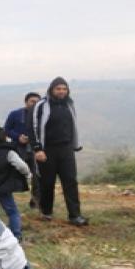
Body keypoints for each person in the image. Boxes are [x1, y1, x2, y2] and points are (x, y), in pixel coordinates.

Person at [30, 77, 88, 226]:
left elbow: (72, 125)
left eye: (64, 89)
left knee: (70, 182)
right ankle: (46, 212)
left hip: (66, 149)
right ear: (52, 89)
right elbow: (33, 127)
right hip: (47, 149)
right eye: (58, 89)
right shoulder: (41, 105)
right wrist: (38, 149)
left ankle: (75, 216)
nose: (61, 91)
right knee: (47, 183)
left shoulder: (69, 104)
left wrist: (75, 144)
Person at [4, 92, 41, 208]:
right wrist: (18, 137)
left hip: (36, 150)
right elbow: (6, 129)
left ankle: (35, 201)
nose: (35, 104)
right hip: (18, 148)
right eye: (32, 101)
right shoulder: (15, 114)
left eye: (37, 102)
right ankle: (7, 201)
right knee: (12, 174)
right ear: (26, 102)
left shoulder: (41, 116)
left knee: (37, 176)